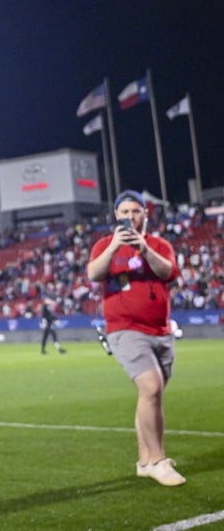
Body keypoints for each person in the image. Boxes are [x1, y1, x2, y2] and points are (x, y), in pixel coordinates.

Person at [87, 189, 184, 486]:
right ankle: (157, 460)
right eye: (125, 212)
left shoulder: (158, 244)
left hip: (160, 330)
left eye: (136, 211)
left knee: (151, 395)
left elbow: (168, 272)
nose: (131, 217)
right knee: (151, 386)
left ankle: (144, 461)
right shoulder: (104, 245)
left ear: (145, 214)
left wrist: (143, 248)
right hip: (125, 328)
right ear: (116, 216)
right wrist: (115, 247)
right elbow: (93, 273)